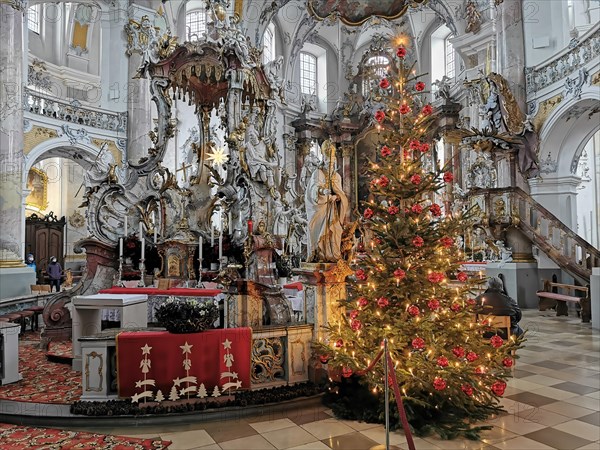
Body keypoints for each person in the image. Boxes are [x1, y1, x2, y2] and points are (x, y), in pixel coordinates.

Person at [305, 140, 348, 262]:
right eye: (329, 161)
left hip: (333, 210)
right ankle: (320, 254)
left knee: (335, 230)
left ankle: (333, 255)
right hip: (320, 209)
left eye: (333, 161)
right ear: (324, 159)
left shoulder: (337, 177)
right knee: (318, 230)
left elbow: (342, 195)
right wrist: (323, 192)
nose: (331, 164)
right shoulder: (318, 173)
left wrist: (337, 197)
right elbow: (313, 188)